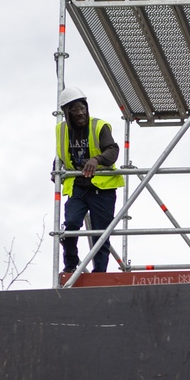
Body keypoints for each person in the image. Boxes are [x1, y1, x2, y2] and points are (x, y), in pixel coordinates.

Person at [55, 87, 124, 277]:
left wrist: (96, 160)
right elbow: (61, 154)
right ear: (66, 112)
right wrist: (56, 168)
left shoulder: (99, 126)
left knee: (100, 233)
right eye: (75, 109)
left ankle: (99, 273)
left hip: (102, 188)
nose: (80, 113)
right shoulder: (60, 130)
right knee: (70, 224)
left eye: (82, 108)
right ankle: (70, 265)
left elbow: (112, 150)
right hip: (78, 187)